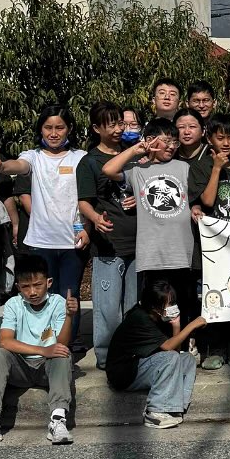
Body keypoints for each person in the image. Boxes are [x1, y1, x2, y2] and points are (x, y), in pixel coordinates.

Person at [0, 106, 88, 349]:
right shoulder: (33, 156)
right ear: (40, 130)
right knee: (44, 296)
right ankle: (44, 343)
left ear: (69, 129)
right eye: (48, 127)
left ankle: (68, 343)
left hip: (72, 241)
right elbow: (20, 166)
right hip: (40, 242)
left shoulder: (80, 157)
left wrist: (86, 227)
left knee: (70, 295)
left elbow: (89, 196)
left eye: (60, 127)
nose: (54, 133)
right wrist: (3, 166)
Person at [0, 253, 76, 448]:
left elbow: (62, 343)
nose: (32, 292)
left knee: (63, 354)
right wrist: (42, 350)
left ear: (49, 282)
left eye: (37, 285)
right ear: (18, 287)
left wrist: (69, 316)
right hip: (21, 366)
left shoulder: (58, 302)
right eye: (26, 287)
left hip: (48, 367)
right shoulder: (13, 304)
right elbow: (5, 341)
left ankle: (58, 418)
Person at [103, 118, 196, 324]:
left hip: (181, 251)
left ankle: (185, 344)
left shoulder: (184, 167)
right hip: (152, 253)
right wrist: (136, 149)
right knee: (156, 305)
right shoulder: (137, 170)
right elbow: (108, 170)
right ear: (150, 141)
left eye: (175, 142)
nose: (171, 146)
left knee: (185, 300)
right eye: (166, 141)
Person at [76, 102, 137, 371]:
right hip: (108, 246)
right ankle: (105, 355)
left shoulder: (132, 155)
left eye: (120, 123)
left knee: (133, 306)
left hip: (138, 242)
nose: (117, 129)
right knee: (108, 308)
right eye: (110, 124)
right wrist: (95, 218)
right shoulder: (88, 162)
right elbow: (83, 202)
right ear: (96, 128)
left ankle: (130, 352)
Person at [187, 115, 230, 370]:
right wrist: (216, 168)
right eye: (220, 137)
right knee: (213, 299)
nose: (226, 143)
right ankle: (215, 348)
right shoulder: (200, 167)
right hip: (210, 248)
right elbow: (209, 201)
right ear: (209, 138)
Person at [105, 276, 206, 429]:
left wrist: (176, 326)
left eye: (173, 302)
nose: (172, 306)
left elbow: (176, 352)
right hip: (124, 374)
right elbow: (168, 348)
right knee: (170, 357)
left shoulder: (160, 318)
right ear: (155, 306)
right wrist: (192, 325)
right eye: (169, 303)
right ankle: (155, 412)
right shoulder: (140, 319)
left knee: (187, 359)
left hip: (142, 365)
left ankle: (176, 406)